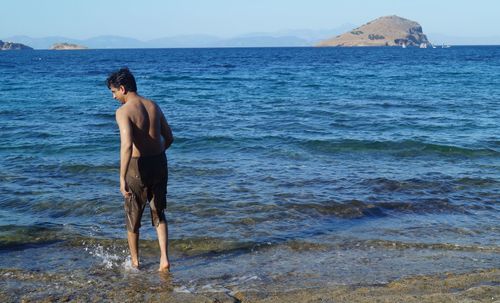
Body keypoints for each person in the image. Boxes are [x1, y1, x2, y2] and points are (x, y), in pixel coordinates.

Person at [106, 68, 173, 272]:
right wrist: (157, 153)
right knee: (158, 212)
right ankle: (164, 259)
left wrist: (121, 177)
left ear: (123, 88)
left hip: (138, 167)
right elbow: (169, 137)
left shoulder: (123, 111)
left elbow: (126, 145)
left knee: (132, 216)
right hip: (160, 161)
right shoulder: (153, 105)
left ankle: (135, 262)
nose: (113, 96)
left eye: (113, 92)